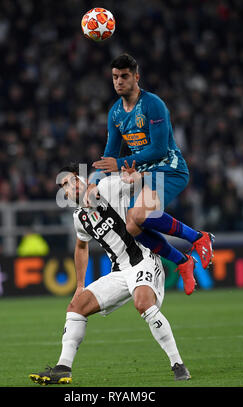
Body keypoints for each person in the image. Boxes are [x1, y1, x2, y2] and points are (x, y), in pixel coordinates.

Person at [29, 164, 191, 385]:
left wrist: (136, 176)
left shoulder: (106, 187)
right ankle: (63, 368)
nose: (69, 188)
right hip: (119, 272)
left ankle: (178, 364)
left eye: (71, 181)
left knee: (143, 304)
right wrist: (79, 286)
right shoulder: (80, 218)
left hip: (143, 260)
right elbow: (81, 247)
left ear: (82, 179)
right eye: (64, 186)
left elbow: (141, 182)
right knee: (76, 307)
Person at [88, 53, 214, 295]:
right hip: (146, 174)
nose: (119, 82)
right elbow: (109, 156)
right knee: (133, 226)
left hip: (170, 169)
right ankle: (183, 262)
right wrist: (95, 182)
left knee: (138, 213)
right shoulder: (115, 113)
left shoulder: (153, 104)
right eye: (115, 77)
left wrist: (122, 163)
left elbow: (157, 150)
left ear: (136, 77)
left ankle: (198, 237)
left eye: (124, 76)